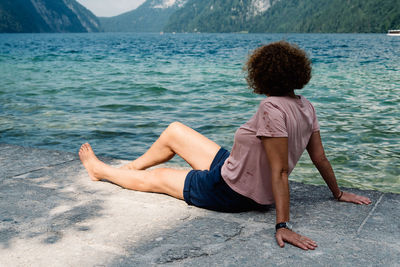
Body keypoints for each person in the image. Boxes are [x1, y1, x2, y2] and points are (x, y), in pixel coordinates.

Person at [79, 41, 371, 251]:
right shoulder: (305, 106)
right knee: (175, 131)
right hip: (236, 169)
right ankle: (129, 167)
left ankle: (101, 171)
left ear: (261, 75)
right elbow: (319, 157)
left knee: (159, 178)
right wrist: (338, 192)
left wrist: (283, 225)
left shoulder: (271, 107)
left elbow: (280, 171)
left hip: (233, 191)